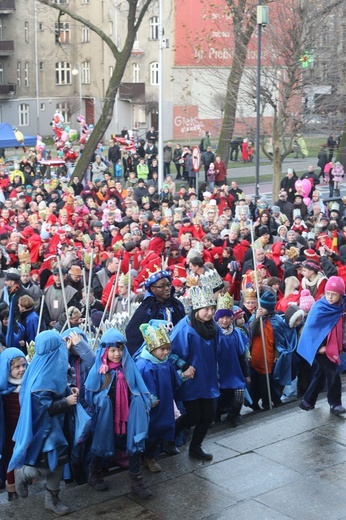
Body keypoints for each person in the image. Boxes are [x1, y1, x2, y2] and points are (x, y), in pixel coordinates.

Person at [9, 330, 81, 516]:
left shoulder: (45, 366)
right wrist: (66, 402)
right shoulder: (42, 375)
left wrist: (68, 391)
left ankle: (52, 499)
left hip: (56, 428)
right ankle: (23, 474)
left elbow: (57, 386)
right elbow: (41, 406)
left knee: (59, 462)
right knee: (45, 465)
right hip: (46, 432)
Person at [84, 328, 152, 498]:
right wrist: (103, 401)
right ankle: (94, 473)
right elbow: (89, 394)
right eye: (112, 350)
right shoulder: (100, 370)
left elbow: (138, 386)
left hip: (129, 416)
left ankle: (137, 481)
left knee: (134, 445)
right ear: (105, 351)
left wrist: (142, 401)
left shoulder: (129, 367)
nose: (116, 354)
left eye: (119, 350)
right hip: (107, 418)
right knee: (102, 443)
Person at [170, 284, 219, 461]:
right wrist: (184, 366)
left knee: (209, 415)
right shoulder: (185, 327)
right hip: (191, 379)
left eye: (212, 308)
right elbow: (169, 351)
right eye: (206, 309)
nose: (210, 313)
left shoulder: (212, 327)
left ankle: (195, 447)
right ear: (197, 308)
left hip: (207, 378)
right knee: (193, 415)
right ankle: (169, 437)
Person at [136, 321, 182, 472]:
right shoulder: (144, 365)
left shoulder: (165, 362)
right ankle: (146, 458)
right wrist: (150, 399)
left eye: (168, 349)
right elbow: (142, 386)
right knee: (150, 432)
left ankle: (150, 455)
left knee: (162, 429)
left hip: (165, 403)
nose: (166, 352)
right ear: (152, 347)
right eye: (162, 349)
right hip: (152, 407)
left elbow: (174, 379)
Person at [297, 276, 346, 416]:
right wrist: (320, 347)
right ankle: (335, 404)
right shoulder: (320, 307)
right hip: (318, 347)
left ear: (340, 295)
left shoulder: (342, 304)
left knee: (322, 372)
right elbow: (311, 331)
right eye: (328, 293)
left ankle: (307, 401)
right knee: (333, 372)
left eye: (334, 294)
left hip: (332, 346)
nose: (330, 297)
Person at [125, 269, 185, 355]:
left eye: (168, 285)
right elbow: (134, 335)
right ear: (152, 289)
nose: (167, 288)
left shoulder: (176, 305)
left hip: (179, 351)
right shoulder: (147, 309)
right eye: (161, 286)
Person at [214, 293, 250, 427]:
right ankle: (216, 417)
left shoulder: (236, 334)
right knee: (221, 397)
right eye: (221, 317)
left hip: (234, 370)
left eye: (227, 317)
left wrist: (246, 374)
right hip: (220, 371)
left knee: (239, 393)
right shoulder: (213, 333)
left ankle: (233, 415)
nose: (224, 320)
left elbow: (241, 354)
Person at [0, 348, 27, 501]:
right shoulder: (3, 388)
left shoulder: (28, 383)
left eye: (23, 365)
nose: (22, 369)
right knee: (11, 457)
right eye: (17, 367)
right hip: (10, 431)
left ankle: (25, 482)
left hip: (26, 429)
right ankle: (11, 486)